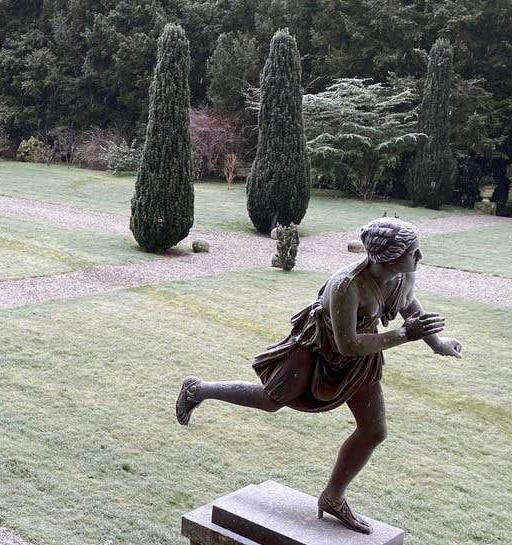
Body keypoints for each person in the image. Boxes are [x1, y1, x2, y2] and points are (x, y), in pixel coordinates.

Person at [174, 217, 462, 534]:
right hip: (315, 349)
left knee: (374, 430)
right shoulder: (347, 285)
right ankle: (197, 389)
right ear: (388, 256)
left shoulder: (398, 277)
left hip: (360, 358)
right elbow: (347, 343)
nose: (419, 258)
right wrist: (404, 335)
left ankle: (333, 497)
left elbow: (409, 306)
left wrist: (436, 343)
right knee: (270, 401)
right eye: (413, 252)